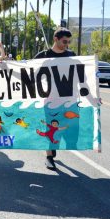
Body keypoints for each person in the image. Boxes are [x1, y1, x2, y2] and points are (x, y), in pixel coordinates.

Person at [34, 27, 76, 170]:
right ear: (56, 39)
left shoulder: (71, 55)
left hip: (68, 101)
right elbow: (27, 72)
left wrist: (92, 97)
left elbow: (80, 76)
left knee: (68, 131)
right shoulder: (43, 55)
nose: (67, 45)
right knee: (51, 129)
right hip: (50, 101)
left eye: (68, 42)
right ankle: (49, 157)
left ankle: (53, 148)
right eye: (64, 41)